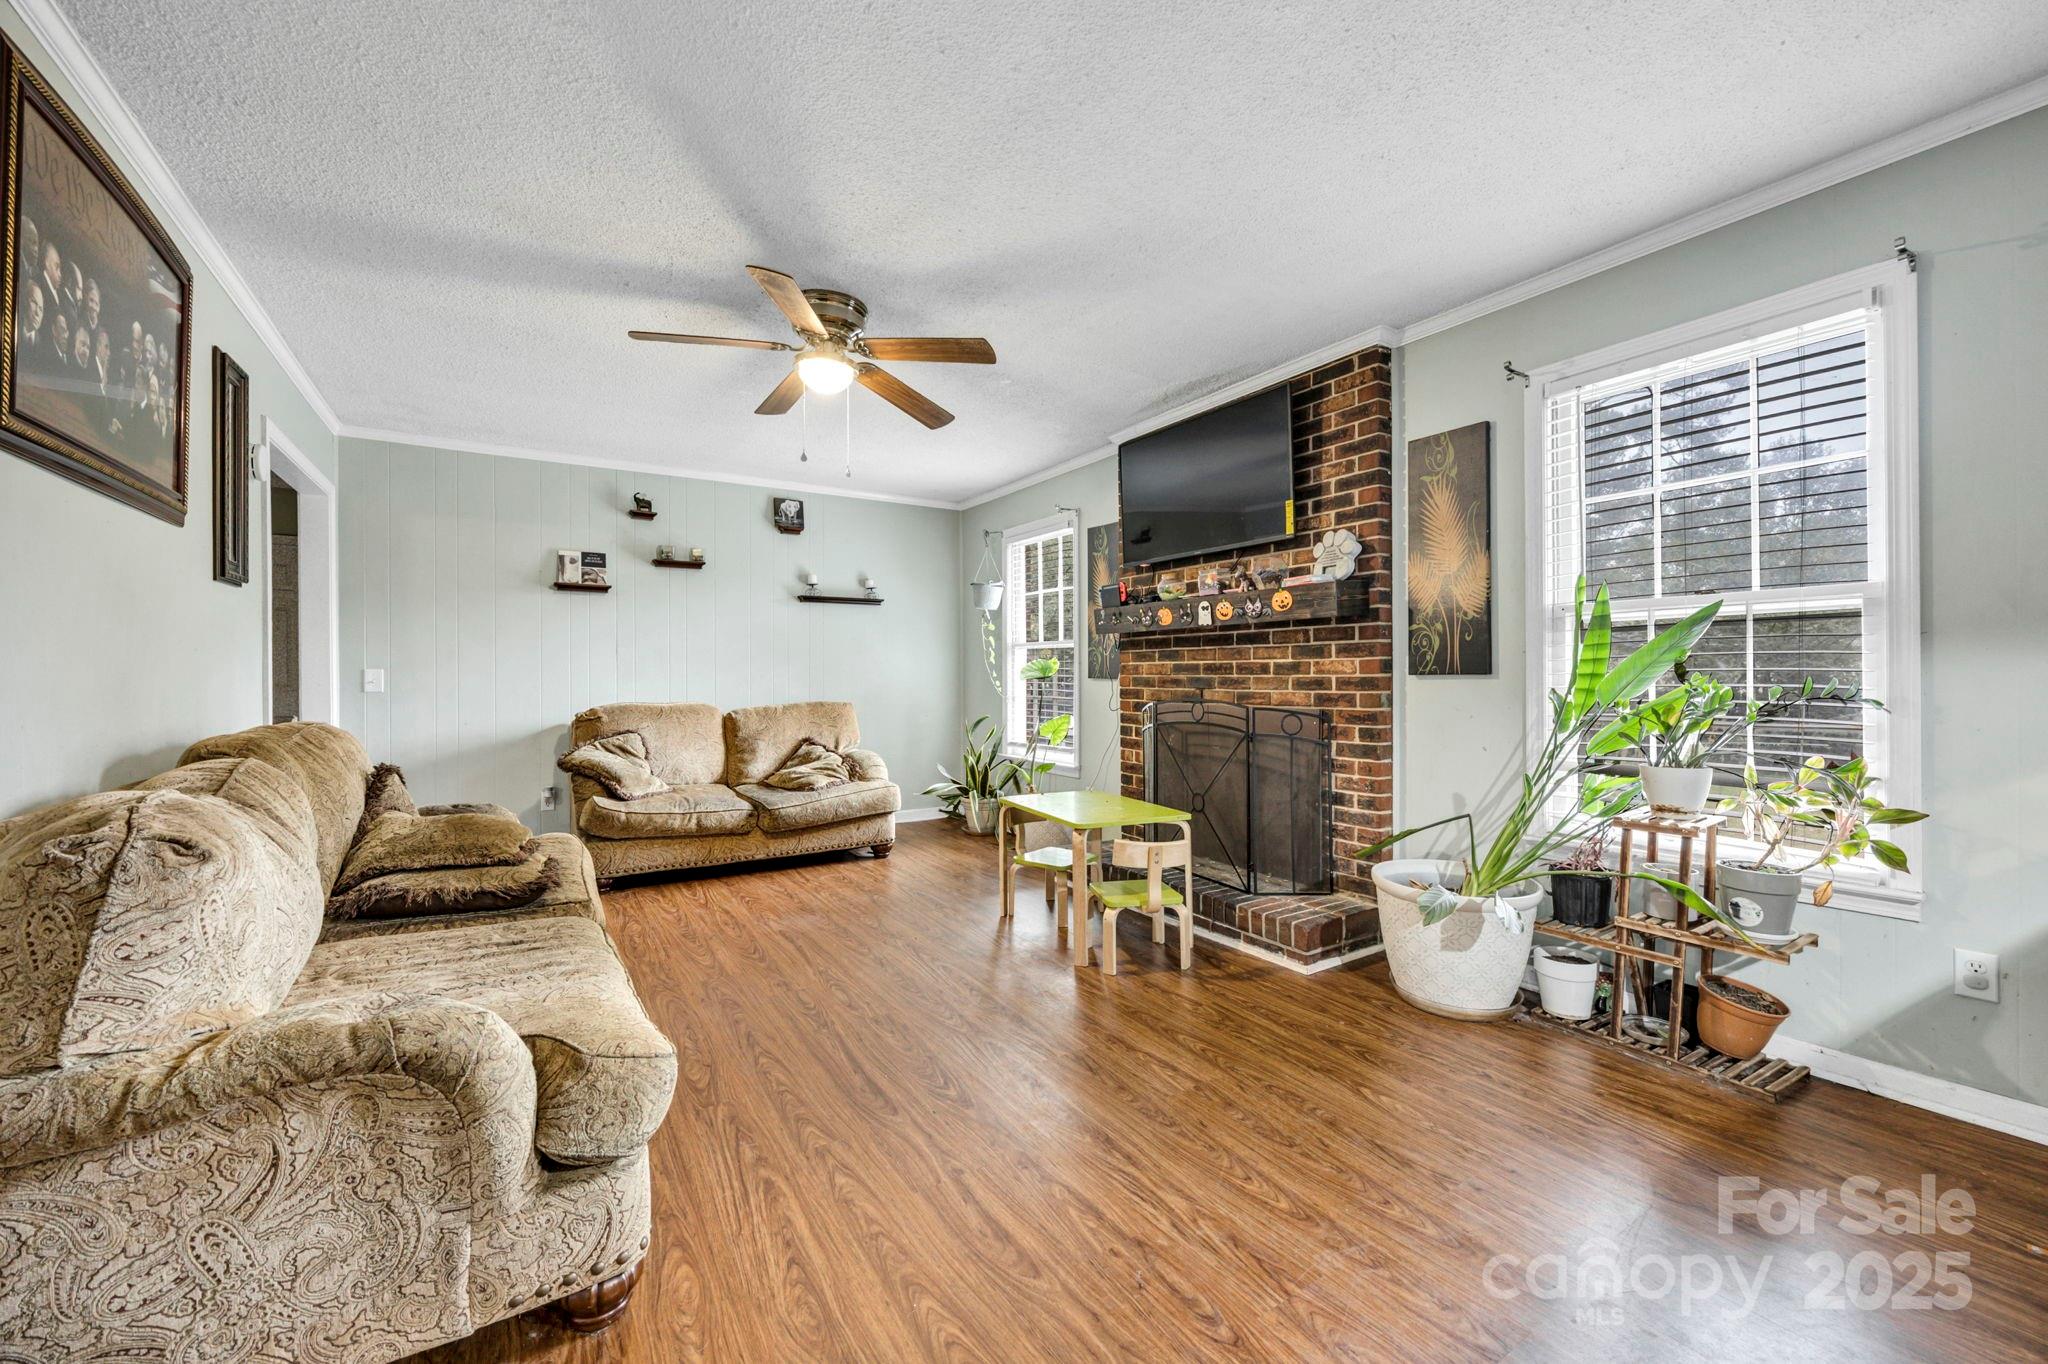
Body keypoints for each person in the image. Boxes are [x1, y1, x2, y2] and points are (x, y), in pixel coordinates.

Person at [15, 280, 43, 358]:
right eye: (34, 302)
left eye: (41, 309)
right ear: (24, 301)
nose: (37, 313)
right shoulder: (14, 331)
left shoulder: (43, 345)